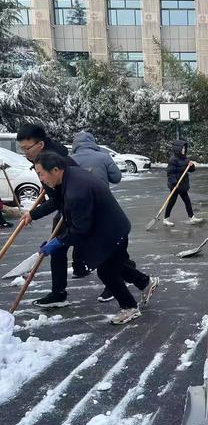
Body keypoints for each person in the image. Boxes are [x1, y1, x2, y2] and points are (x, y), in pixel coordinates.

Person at [34, 151, 160, 325]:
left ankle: (129, 307)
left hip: (111, 232)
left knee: (107, 271)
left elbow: (80, 229)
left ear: (55, 170)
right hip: (109, 228)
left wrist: (59, 242)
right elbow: (61, 205)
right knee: (114, 264)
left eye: (41, 173)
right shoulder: (70, 175)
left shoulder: (76, 190)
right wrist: (35, 216)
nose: (40, 179)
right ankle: (145, 282)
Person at [17, 123, 89, 307]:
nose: (24, 152)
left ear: (40, 145)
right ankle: (58, 292)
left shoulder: (50, 160)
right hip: (69, 205)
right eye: (22, 148)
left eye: (27, 148)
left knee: (99, 247)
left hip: (78, 207)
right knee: (61, 248)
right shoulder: (47, 155)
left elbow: (57, 200)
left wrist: (34, 214)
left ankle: (137, 278)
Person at [71, 130, 129, 303]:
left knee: (87, 240)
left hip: (79, 209)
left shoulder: (70, 159)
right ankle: (115, 281)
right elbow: (116, 177)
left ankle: (79, 267)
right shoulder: (103, 157)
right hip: (104, 207)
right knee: (109, 246)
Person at [163, 139, 203, 227]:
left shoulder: (185, 159)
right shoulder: (173, 160)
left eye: (185, 148)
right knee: (172, 202)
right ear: (178, 149)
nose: (184, 150)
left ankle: (191, 217)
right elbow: (170, 173)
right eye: (182, 148)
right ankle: (166, 219)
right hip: (175, 185)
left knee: (187, 201)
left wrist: (191, 166)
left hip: (183, 184)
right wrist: (174, 183)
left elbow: (191, 170)